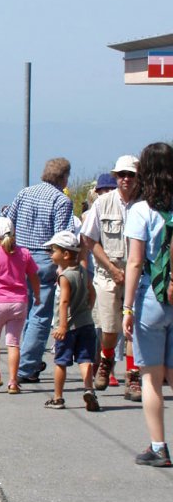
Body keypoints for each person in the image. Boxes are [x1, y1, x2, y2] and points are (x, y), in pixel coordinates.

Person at [122, 142, 173, 466]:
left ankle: (158, 447)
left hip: (152, 299)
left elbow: (135, 262)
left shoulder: (141, 210)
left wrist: (127, 307)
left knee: (151, 378)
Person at [4, 158, 75, 383]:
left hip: (18, 256)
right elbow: (61, 237)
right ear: (64, 177)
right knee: (40, 315)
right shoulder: (61, 200)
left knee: (22, 311)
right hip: (43, 258)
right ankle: (26, 367)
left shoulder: (24, 193)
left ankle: (21, 359)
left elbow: (8, 223)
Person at [80, 156, 142, 401]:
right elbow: (89, 239)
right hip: (108, 273)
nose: (126, 179)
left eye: (131, 175)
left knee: (133, 328)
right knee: (109, 327)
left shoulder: (145, 204)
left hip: (137, 274)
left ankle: (133, 376)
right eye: (122, 174)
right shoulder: (103, 203)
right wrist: (111, 268)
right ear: (116, 177)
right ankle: (106, 360)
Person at [0, 217, 41, 394]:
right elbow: (34, 276)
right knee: (13, 342)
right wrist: (38, 296)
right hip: (20, 303)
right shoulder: (24, 253)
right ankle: (13, 381)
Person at [43, 230, 101, 412]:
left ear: (66, 254)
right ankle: (89, 389)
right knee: (85, 360)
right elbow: (92, 293)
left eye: (53, 251)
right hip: (86, 324)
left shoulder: (65, 276)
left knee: (61, 361)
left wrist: (62, 325)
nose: (51, 254)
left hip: (68, 327)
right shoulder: (83, 271)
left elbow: (64, 301)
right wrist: (88, 309)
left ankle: (58, 397)